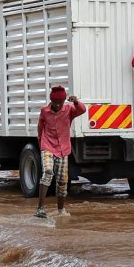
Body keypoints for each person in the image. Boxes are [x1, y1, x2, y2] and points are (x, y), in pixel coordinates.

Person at [34, 84, 85, 220]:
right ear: (51, 101)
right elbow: (40, 129)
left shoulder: (69, 109)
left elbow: (82, 110)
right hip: (47, 146)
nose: (57, 106)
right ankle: (40, 209)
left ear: (63, 102)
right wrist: (41, 145)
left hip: (63, 149)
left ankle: (61, 210)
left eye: (60, 103)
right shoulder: (44, 111)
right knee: (48, 172)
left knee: (62, 181)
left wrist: (76, 101)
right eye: (55, 103)